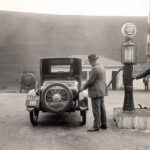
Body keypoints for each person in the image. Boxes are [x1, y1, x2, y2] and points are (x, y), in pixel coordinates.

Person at [79, 54, 107, 132]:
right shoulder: (102, 67)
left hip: (95, 92)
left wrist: (83, 88)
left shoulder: (95, 69)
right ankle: (104, 124)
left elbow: (90, 81)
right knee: (102, 108)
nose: (90, 63)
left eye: (90, 61)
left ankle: (96, 126)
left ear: (92, 61)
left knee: (96, 110)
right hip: (101, 90)